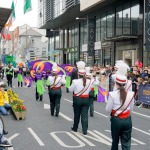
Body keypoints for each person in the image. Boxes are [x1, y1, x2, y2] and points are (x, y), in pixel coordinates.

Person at [106, 74, 135, 150]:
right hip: (127, 119)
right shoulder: (131, 94)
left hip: (116, 119)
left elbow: (108, 109)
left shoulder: (112, 94)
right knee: (126, 142)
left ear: (116, 83)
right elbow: (131, 109)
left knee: (115, 141)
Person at [69, 61, 94, 135]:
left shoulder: (75, 81)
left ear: (78, 74)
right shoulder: (89, 81)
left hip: (77, 99)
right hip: (86, 99)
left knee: (77, 114)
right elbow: (90, 88)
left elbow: (70, 90)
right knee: (85, 115)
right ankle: (85, 130)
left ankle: (75, 128)